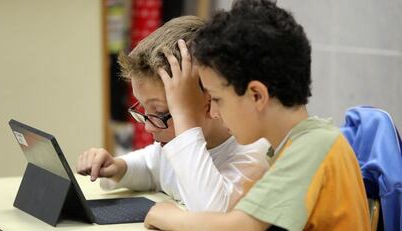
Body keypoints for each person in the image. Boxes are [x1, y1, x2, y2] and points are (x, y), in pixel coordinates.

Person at [143, 0, 370, 230]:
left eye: (218, 99)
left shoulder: (313, 147)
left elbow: (237, 227)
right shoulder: (291, 147)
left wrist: (165, 216)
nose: (214, 112)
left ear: (256, 96)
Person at [76, 15, 270, 212]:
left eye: (160, 112)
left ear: (211, 99)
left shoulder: (252, 151)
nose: (148, 126)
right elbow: (152, 166)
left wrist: (184, 117)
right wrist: (118, 167)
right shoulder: (171, 146)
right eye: (143, 109)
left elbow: (211, 213)